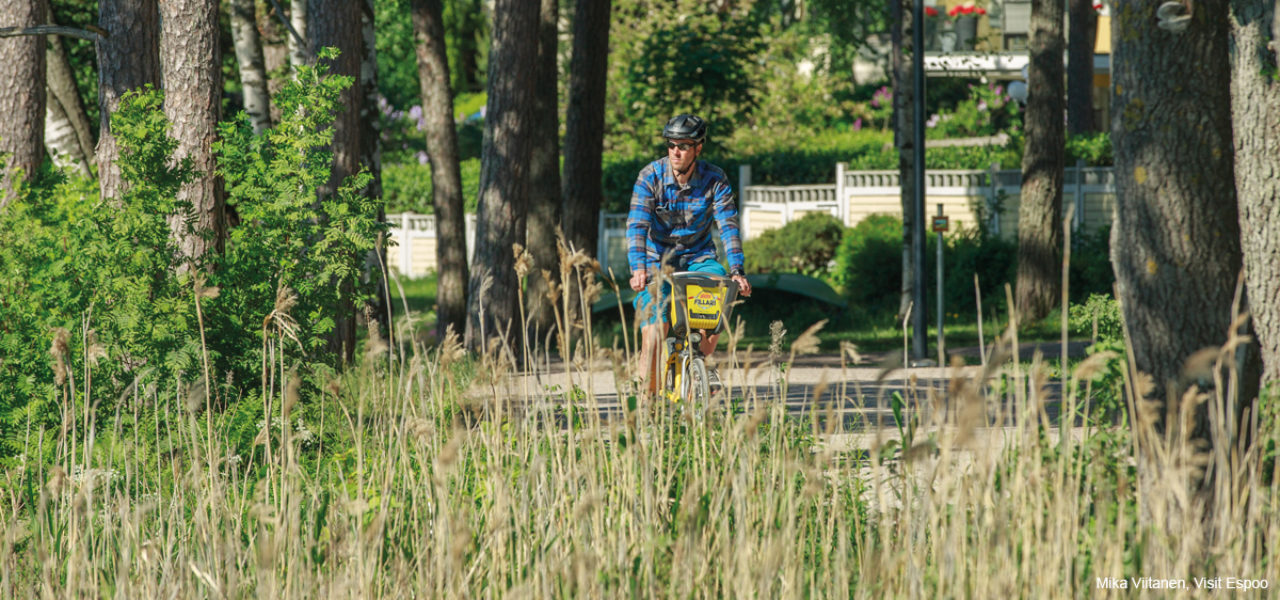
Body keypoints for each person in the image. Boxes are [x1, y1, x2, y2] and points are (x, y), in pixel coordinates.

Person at [626, 113, 752, 397]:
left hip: (699, 257)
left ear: (698, 148)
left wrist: (737, 270)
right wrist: (638, 268)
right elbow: (637, 225)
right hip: (656, 261)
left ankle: (702, 364)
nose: (676, 151)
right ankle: (647, 406)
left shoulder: (715, 179)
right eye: (671, 145)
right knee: (655, 333)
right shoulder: (650, 177)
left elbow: (728, 226)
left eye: (683, 145)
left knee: (722, 293)